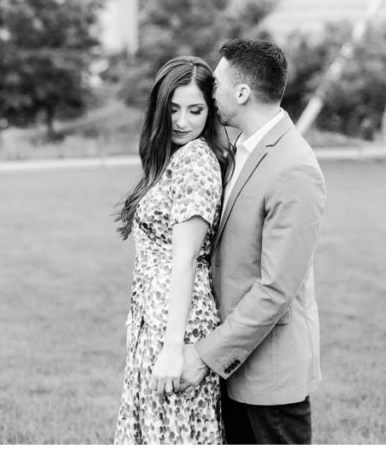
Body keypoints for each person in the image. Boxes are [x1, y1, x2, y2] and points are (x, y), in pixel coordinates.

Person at [178, 39, 326, 444]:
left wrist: (206, 355)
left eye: (218, 84)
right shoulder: (240, 151)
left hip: (271, 379)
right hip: (237, 370)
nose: (211, 92)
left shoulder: (294, 167)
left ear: (242, 92)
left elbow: (276, 288)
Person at [114, 56, 231, 444]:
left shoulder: (196, 159)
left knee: (174, 433)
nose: (182, 121)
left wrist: (172, 347)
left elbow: (185, 259)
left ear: (210, 111)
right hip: (156, 314)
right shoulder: (173, 159)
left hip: (176, 321)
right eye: (173, 109)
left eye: (195, 110)